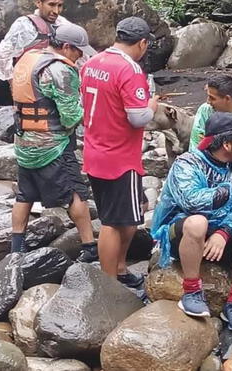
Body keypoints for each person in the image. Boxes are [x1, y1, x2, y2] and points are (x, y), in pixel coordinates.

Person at [152, 112, 232, 331]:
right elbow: (191, 201)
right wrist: (230, 191)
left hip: (220, 237)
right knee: (198, 222)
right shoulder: (187, 163)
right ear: (226, 144)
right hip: (182, 234)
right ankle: (192, 291)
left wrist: (224, 233)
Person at [80, 17, 159, 287]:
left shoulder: (92, 63)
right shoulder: (129, 70)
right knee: (112, 222)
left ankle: (121, 266)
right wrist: (152, 104)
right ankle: (109, 283)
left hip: (95, 151)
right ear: (142, 43)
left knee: (134, 209)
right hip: (119, 157)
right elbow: (138, 118)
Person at [10, 23, 96, 255]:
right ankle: (89, 246)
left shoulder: (28, 59)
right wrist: (87, 109)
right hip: (52, 146)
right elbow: (70, 118)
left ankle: (16, 248)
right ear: (66, 47)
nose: (79, 57)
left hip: (24, 143)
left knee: (24, 195)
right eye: (78, 51)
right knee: (75, 193)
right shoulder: (60, 70)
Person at [0, 0, 85, 82]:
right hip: (28, 83)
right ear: (38, 3)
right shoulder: (24, 25)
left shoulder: (64, 24)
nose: (56, 11)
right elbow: (2, 55)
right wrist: (12, 81)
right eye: (51, 4)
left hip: (58, 85)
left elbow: (82, 57)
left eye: (60, 5)